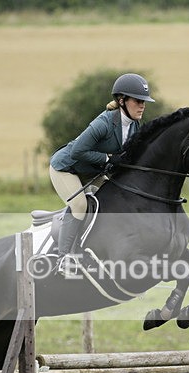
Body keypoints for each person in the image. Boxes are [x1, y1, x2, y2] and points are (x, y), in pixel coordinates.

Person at [49, 72, 155, 268]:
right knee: (80, 205)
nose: (142, 105)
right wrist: (108, 158)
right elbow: (77, 151)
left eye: (144, 101)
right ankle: (63, 258)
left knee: (114, 198)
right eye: (138, 100)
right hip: (66, 168)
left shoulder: (135, 125)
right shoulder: (104, 123)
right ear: (122, 100)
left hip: (92, 170)